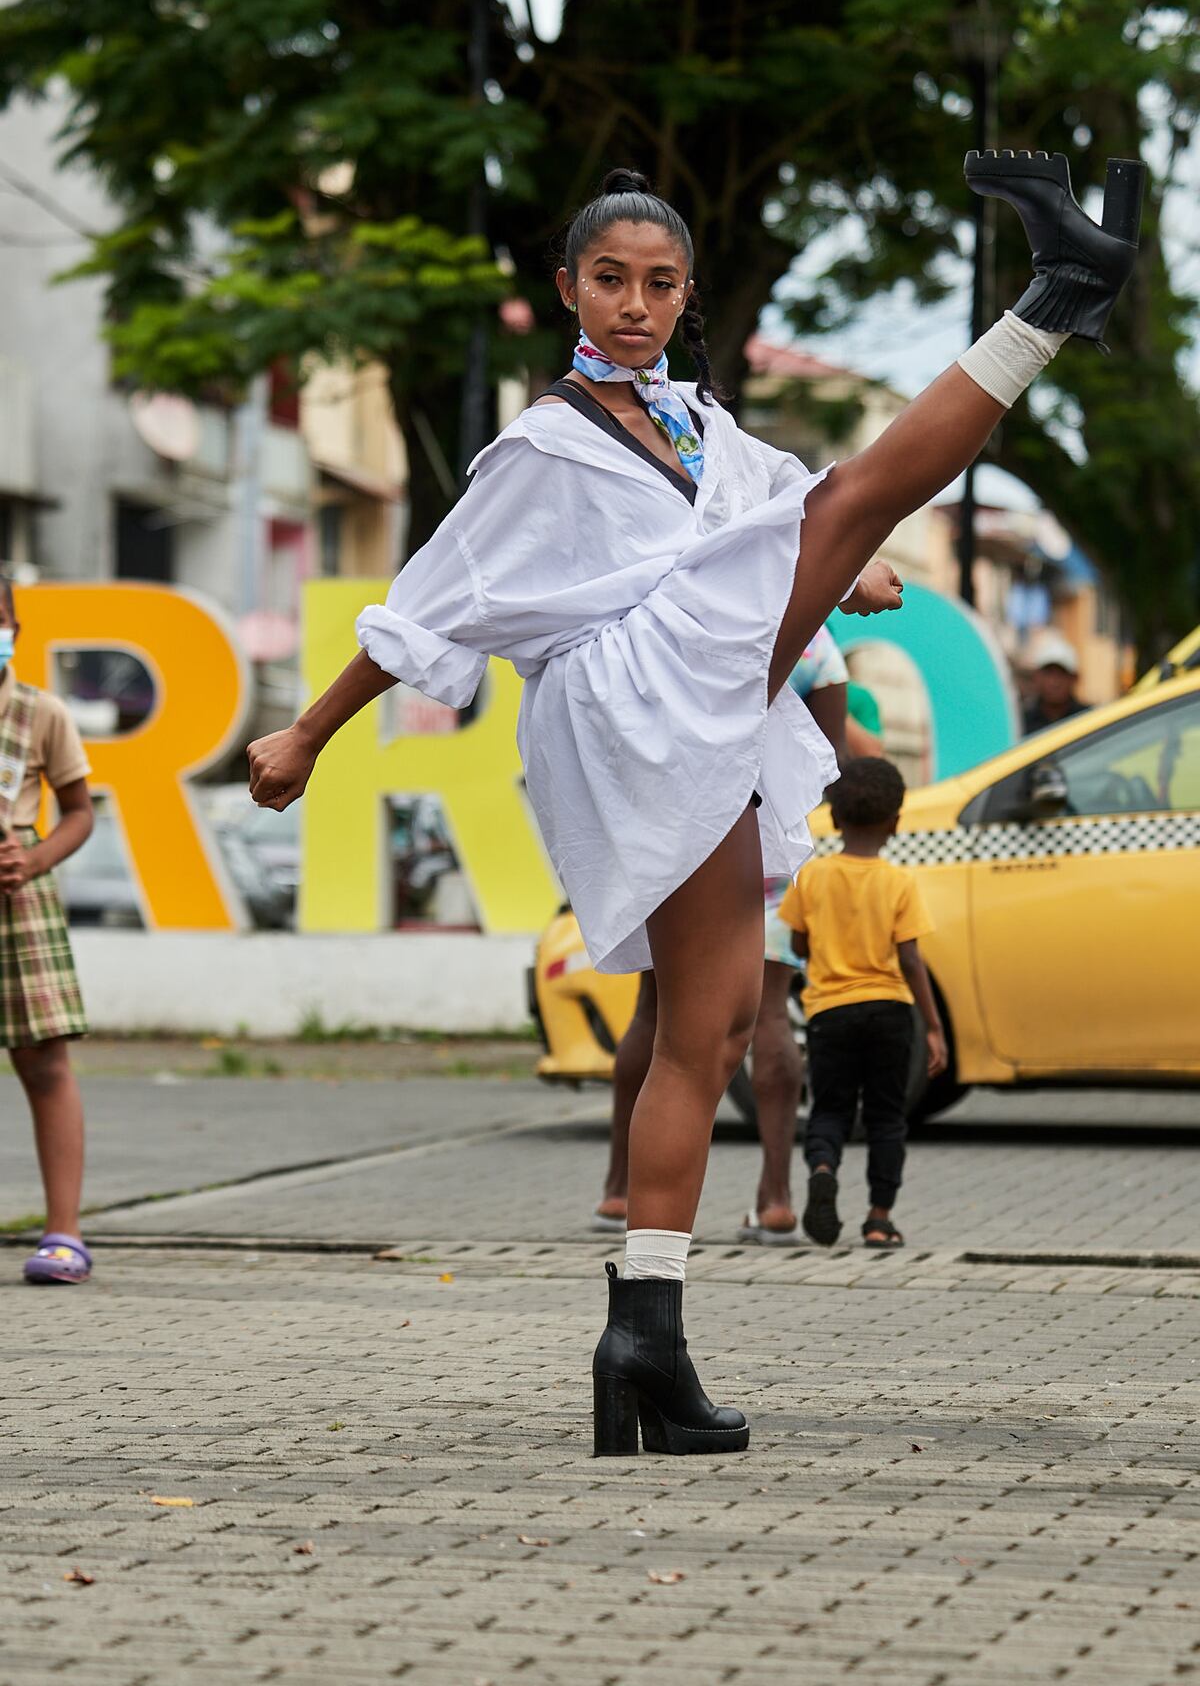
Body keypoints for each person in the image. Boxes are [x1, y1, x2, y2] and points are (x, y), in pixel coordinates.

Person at [248, 151, 1140, 1455]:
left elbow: (774, 515)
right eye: (608, 279)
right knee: (859, 491)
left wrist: (854, 571)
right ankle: (1058, 292)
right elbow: (426, 601)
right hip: (630, 696)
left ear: (685, 297)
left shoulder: (702, 427)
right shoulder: (544, 444)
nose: (634, 302)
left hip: (703, 698)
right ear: (565, 288)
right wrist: (310, 734)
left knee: (706, 1031)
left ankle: (645, 1333)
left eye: (660, 284)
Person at [591, 610, 896, 1247]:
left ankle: (621, 1189)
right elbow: (831, 763)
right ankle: (777, 1197)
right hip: (769, 849)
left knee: (655, 1013)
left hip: (683, 842)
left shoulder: (682, 610)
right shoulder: (814, 640)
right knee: (772, 1017)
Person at [779, 758, 947, 1251]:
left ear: (833, 818)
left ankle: (824, 1167)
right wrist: (933, 1027)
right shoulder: (898, 883)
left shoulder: (813, 878)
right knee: (886, 1116)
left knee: (829, 1108)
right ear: (895, 822)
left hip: (830, 1011)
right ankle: (878, 1219)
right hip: (890, 1011)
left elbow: (800, 944)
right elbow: (911, 959)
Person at [0, 577, 96, 1284]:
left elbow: (78, 812)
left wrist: (31, 858)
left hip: (19, 904)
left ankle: (64, 1233)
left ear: (14, 628)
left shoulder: (40, 714)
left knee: (44, 1063)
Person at [1022, 629, 1093, 734]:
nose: (1054, 682)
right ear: (1036, 677)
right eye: (1048, 673)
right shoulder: (1021, 721)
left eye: (1062, 674)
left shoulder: (1089, 719)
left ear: (1075, 678)